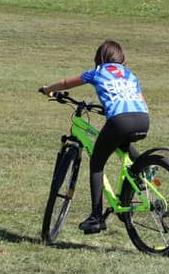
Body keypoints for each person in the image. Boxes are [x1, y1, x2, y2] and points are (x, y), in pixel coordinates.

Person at [39, 40, 149, 234]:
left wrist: (48, 89)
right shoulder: (130, 74)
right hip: (143, 119)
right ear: (121, 58)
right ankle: (143, 169)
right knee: (121, 142)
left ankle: (96, 216)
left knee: (97, 163)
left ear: (100, 57)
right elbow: (138, 100)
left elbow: (65, 83)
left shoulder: (97, 72)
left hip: (120, 121)